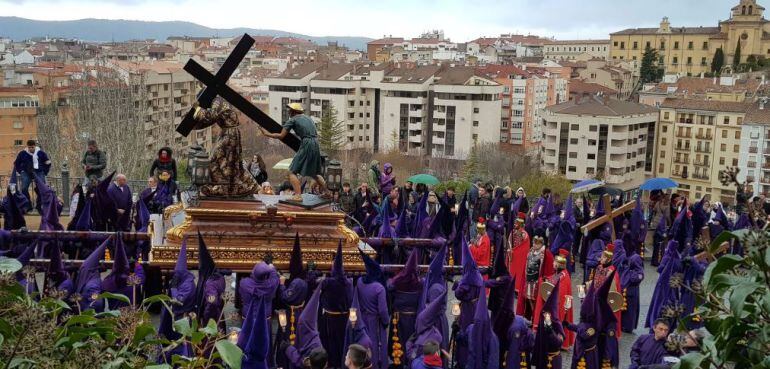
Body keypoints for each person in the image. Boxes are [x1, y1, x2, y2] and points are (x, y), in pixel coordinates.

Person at [192, 100, 261, 197]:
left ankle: (222, 187)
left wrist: (197, 108)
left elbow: (210, 116)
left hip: (229, 135)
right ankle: (223, 187)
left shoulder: (217, 101)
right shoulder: (220, 101)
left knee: (218, 160)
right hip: (228, 133)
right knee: (228, 162)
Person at [261, 103, 327, 201]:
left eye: (289, 110)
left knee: (291, 172)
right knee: (314, 173)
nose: (288, 112)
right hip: (316, 144)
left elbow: (281, 135)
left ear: (292, 111)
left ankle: (298, 195)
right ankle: (328, 192)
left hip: (307, 144)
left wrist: (267, 134)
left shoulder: (292, 120)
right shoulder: (308, 118)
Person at [14, 139, 51, 210]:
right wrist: (20, 171)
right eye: (29, 147)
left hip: (39, 172)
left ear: (35, 146)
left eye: (32, 147)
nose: (31, 149)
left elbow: (48, 163)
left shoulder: (41, 153)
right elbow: (16, 163)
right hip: (26, 172)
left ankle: (39, 205)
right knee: (24, 188)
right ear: (27, 147)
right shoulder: (23, 153)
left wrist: (44, 172)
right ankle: (28, 205)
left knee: (41, 188)